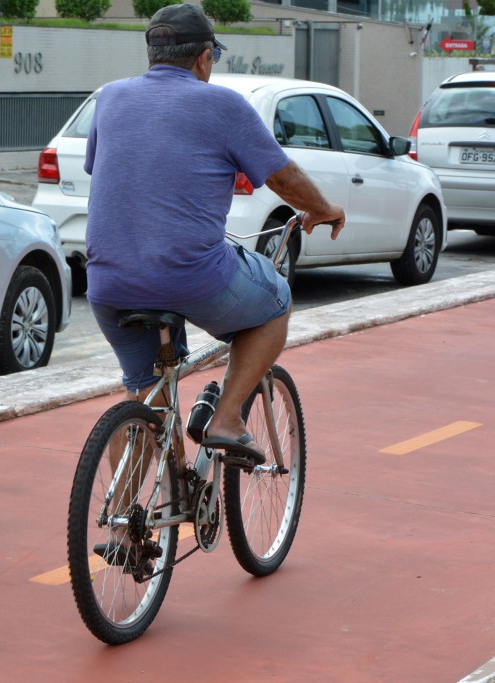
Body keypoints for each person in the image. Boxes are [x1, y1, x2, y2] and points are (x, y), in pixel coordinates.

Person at [84, 4, 346, 466]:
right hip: (190, 276)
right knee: (276, 300)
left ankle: (126, 522)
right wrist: (323, 209)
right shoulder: (223, 104)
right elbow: (281, 178)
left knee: (149, 398)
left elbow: (107, 168)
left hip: (107, 284)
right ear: (205, 58)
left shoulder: (110, 97)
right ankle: (226, 417)